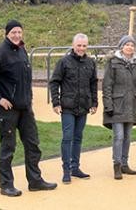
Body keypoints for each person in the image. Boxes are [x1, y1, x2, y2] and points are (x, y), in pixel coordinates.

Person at [0, 20, 57, 197]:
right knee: (8, 148)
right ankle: (6, 185)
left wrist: (28, 98)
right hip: (8, 110)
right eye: (13, 32)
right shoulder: (0, 53)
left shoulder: (22, 50)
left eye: (19, 32)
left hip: (25, 108)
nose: (17, 35)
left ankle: (35, 181)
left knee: (33, 144)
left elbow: (24, 77)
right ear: (7, 33)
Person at [49, 33, 98, 184]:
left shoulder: (90, 63)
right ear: (73, 45)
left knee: (78, 137)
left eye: (84, 46)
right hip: (68, 107)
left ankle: (75, 167)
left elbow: (93, 84)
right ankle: (66, 170)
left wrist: (94, 103)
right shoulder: (64, 62)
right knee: (67, 137)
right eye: (79, 45)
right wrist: (56, 102)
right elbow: (54, 82)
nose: (81, 48)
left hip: (83, 107)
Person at [102, 35, 136, 180]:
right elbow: (107, 85)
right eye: (127, 44)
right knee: (119, 136)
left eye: (132, 45)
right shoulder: (113, 62)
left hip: (131, 103)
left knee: (127, 137)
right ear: (121, 46)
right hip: (116, 104)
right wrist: (108, 104)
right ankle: (117, 164)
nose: (130, 47)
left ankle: (125, 164)